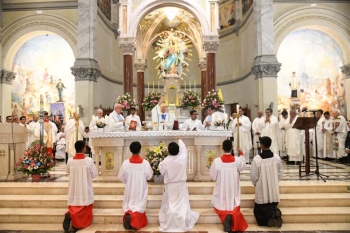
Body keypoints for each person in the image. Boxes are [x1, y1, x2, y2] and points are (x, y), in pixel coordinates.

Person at [158, 136, 199, 232]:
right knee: (182, 204)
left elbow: (162, 171)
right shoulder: (182, 158)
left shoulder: (165, 161)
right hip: (181, 185)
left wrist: (161, 163)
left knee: (170, 204)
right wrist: (179, 139)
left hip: (170, 186)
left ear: (168, 151)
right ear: (178, 151)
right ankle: (182, 221)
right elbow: (184, 149)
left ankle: (170, 223)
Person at [209, 140, 248, 232]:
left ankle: (226, 217)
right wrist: (241, 153)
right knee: (234, 206)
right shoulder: (237, 160)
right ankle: (231, 215)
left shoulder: (217, 161)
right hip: (233, 189)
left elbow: (213, 176)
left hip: (222, 189)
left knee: (219, 206)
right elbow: (243, 166)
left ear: (222, 148)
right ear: (232, 148)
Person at [63, 140, 98, 232]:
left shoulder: (70, 160)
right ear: (84, 149)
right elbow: (94, 174)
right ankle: (78, 223)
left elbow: (67, 171)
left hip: (74, 187)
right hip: (85, 187)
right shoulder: (89, 161)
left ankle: (70, 213)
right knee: (85, 204)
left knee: (74, 202)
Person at [118, 141, 153, 230]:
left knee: (129, 203)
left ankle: (128, 215)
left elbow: (121, 176)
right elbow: (149, 176)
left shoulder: (126, 163)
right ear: (140, 151)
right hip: (141, 187)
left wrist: (128, 181)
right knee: (140, 205)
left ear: (130, 150)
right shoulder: (145, 163)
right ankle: (135, 223)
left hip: (130, 187)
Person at [250, 136, 283, 227]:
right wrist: (275, 181)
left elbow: (253, 175)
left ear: (261, 145)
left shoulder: (257, 159)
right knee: (272, 205)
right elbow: (280, 172)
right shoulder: (276, 158)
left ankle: (270, 217)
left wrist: (256, 183)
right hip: (273, 189)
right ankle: (276, 212)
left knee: (259, 209)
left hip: (261, 189)